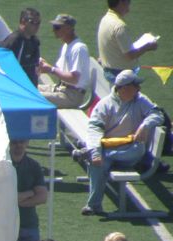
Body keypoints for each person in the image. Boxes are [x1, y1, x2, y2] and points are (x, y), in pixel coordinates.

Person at [81, 70, 163, 216]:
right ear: (123, 88)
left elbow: (157, 114)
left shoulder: (140, 100)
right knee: (97, 162)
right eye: (135, 85)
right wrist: (95, 153)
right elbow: (94, 130)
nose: (139, 89)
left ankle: (91, 154)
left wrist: (145, 126)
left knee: (135, 150)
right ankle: (93, 206)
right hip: (110, 147)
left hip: (130, 150)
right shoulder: (105, 105)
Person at [10, 139, 48, 241]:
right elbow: (3, 196)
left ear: (27, 143)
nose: (18, 145)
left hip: (28, 225)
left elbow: (43, 197)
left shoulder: (33, 165)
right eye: (14, 142)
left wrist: (17, 200)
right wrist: (31, 192)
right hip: (5, 225)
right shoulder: (2, 165)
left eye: (22, 142)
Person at [97, 0, 158, 84]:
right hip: (121, 75)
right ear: (121, 3)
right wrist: (148, 46)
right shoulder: (119, 26)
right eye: (128, 2)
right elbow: (130, 55)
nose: (129, 5)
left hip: (109, 71)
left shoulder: (105, 19)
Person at [37, 14, 91, 109]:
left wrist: (51, 69)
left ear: (68, 29)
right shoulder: (67, 45)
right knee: (28, 89)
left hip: (72, 96)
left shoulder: (78, 48)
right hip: (62, 88)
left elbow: (73, 79)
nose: (53, 30)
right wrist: (44, 64)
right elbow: (61, 71)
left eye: (57, 27)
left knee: (33, 96)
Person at [0, 8, 42, 86]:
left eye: (38, 23)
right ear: (23, 22)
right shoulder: (14, 40)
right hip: (16, 87)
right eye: (33, 22)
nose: (36, 26)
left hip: (30, 88)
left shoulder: (35, 41)